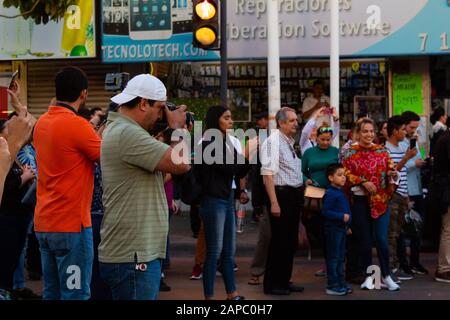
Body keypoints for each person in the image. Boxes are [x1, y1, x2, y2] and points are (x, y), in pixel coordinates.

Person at [99, 74, 190, 300]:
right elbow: (182, 164)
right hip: (133, 255)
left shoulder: (123, 130)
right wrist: (178, 129)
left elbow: (160, 177)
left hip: (134, 253)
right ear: (142, 103)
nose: (161, 115)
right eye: (160, 108)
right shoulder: (127, 133)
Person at [33, 66, 102, 300]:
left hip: (45, 224)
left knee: (51, 292)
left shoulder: (41, 122)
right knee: (75, 293)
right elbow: (107, 157)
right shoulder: (78, 125)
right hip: (71, 227)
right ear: (83, 94)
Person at [196, 105, 249, 300]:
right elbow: (230, 168)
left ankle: (232, 293)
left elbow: (241, 170)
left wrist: (245, 156)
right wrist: (246, 154)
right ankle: (209, 297)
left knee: (229, 251)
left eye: (231, 117)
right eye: (226, 118)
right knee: (214, 252)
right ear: (215, 120)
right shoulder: (208, 142)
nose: (231, 121)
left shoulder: (229, 141)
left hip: (227, 198)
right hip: (213, 200)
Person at [342, 118, 400, 291]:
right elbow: (344, 173)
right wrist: (361, 182)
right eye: (365, 131)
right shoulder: (350, 153)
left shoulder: (382, 151)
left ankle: (387, 276)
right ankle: (369, 277)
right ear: (358, 133)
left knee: (381, 239)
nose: (368, 134)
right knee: (365, 242)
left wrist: (392, 174)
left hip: (380, 201)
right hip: (359, 202)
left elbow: (391, 170)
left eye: (371, 131)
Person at [261, 107, 305, 296]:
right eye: (292, 120)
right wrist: (274, 202)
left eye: (296, 120)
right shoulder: (273, 142)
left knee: (289, 242)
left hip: (293, 195)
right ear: (281, 123)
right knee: (279, 241)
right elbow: (268, 175)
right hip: (281, 195)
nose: (296, 123)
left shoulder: (288, 142)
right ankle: (273, 284)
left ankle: (284, 280)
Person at [0, 119, 36, 296]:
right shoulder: (4, 153)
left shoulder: (10, 153)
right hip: (6, 219)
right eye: (7, 129)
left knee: (12, 259)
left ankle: (11, 289)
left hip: (17, 217)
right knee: (5, 263)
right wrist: (26, 176)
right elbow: (7, 186)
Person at [301, 122, 340, 277]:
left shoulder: (336, 151)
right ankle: (328, 262)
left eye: (328, 140)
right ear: (316, 138)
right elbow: (301, 171)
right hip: (314, 196)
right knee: (319, 231)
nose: (325, 142)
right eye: (322, 139)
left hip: (333, 194)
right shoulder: (309, 153)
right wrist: (306, 179)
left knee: (332, 230)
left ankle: (332, 264)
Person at [385, 116, 418, 281]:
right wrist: (406, 158)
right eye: (403, 129)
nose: (405, 132)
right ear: (395, 131)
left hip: (402, 195)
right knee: (392, 233)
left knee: (398, 233)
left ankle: (395, 266)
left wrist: (407, 196)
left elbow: (403, 174)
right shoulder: (386, 149)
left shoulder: (401, 147)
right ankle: (389, 269)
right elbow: (390, 174)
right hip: (392, 195)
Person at [399, 111, 428, 275]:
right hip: (405, 189)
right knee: (404, 229)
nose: (413, 130)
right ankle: (404, 263)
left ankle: (415, 261)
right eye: (411, 127)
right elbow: (398, 165)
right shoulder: (399, 142)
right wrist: (413, 164)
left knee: (418, 227)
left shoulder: (414, 140)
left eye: (416, 127)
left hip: (417, 187)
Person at [321, 164, 352, 296]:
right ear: (331, 178)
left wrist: (347, 226)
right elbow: (325, 212)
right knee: (333, 257)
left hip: (341, 229)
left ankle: (340, 282)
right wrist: (341, 217)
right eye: (339, 175)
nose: (343, 177)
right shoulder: (330, 193)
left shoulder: (339, 192)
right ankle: (332, 284)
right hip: (333, 229)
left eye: (344, 174)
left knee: (340, 257)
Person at [247, 111, 270, 286]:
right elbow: (256, 175)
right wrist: (257, 204)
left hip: (282, 196)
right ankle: (257, 271)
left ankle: (278, 273)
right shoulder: (259, 142)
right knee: (265, 237)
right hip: (266, 199)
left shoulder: (285, 143)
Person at [431, 121, 450, 283]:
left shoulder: (444, 138)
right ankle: (444, 268)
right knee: (448, 229)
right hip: (446, 191)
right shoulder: (447, 139)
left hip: (444, 190)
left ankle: (444, 267)